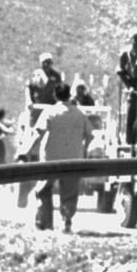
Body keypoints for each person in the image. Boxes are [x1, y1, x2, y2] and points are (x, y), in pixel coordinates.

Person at [33, 93, 92, 231]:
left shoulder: (49, 111)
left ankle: (44, 222)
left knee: (43, 189)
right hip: (73, 159)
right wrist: (84, 151)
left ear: (55, 95)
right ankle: (67, 220)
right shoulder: (80, 113)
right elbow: (90, 135)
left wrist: (26, 150)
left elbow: (39, 132)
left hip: (50, 159)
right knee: (70, 192)